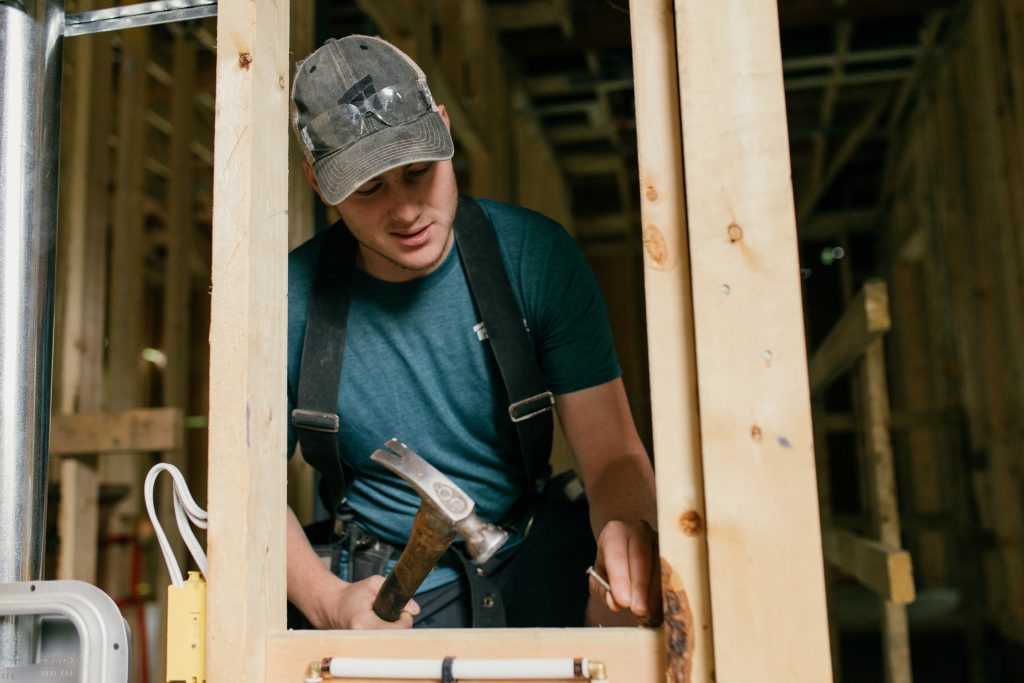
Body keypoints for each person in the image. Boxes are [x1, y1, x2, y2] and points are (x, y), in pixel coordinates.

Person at [285, 34, 659, 631]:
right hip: (382, 584)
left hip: (528, 549)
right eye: (369, 189)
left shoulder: (536, 258)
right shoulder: (292, 303)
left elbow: (612, 453)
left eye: (417, 172)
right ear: (317, 179)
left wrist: (625, 534)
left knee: (634, 619)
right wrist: (327, 602)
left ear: (444, 129)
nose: (406, 211)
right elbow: (244, 494)